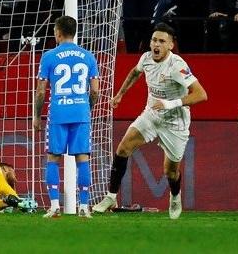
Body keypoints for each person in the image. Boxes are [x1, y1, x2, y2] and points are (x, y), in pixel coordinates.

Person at [93, 23, 208, 219]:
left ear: (171, 45)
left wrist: (170, 104)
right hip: (152, 115)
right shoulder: (146, 58)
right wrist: (120, 95)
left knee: (170, 172)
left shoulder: (177, 65)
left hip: (175, 123)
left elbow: (201, 94)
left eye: (162, 41)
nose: (156, 44)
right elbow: (135, 72)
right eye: (154, 40)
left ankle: (174, 196)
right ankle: (111, 196)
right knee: (123, 148)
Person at [33, 16, 100, 218]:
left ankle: (54, 206)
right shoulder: (88, 56)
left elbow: (41, 91)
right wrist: (86, 109)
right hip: (80, 113)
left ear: (58, 32)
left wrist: (37, 115)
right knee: (83, 158)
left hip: (58, 114)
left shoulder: (49, 56)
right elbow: (95, 91)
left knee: (53, 157)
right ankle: (84, 206)